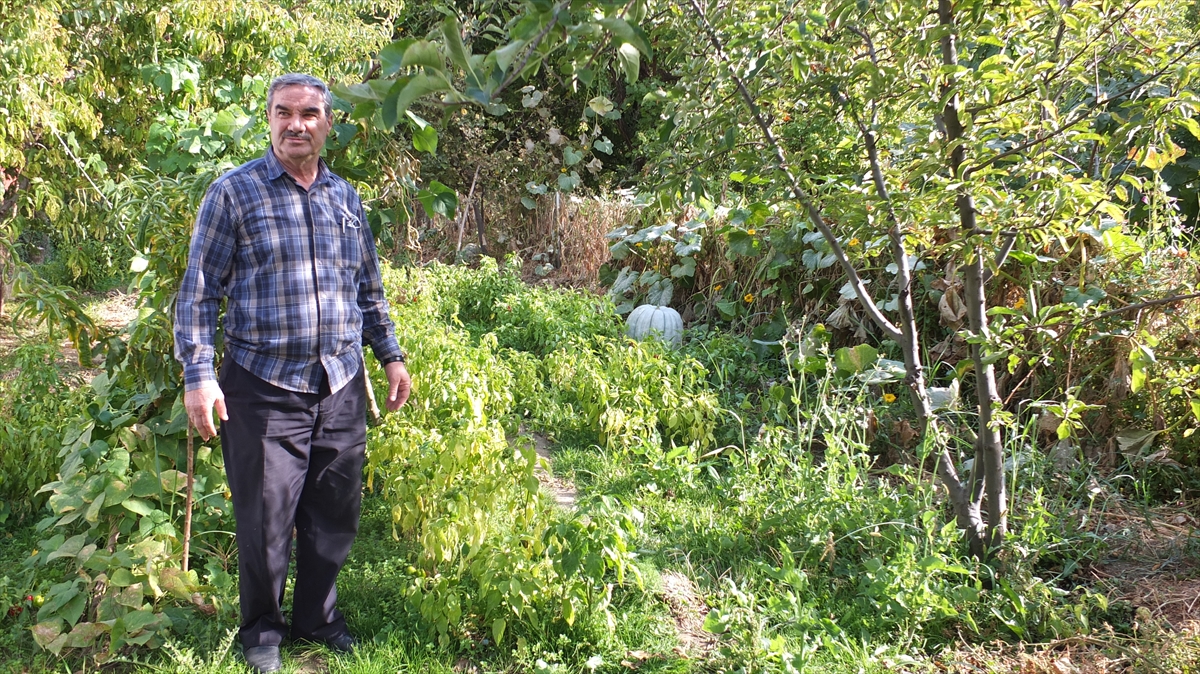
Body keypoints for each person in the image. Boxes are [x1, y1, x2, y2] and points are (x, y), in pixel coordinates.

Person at [174, 72, 411, 673]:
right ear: (270, 119)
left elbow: (368, 287)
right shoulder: (234, 194)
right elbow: (199, 292)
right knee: (266, 516)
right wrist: (200, 375)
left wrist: (390, 354)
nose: (296, 125)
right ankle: (261, 632)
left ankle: (316, 617)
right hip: (261, 383)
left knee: (334, 514)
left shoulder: (345, 198)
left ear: (328, 123)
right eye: (283, 113)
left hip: (339, 381)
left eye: (309, 114)